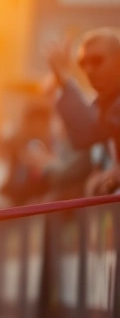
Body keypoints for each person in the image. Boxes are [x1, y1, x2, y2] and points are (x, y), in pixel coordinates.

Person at [47, 28, 120, 195]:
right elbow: (80, 140)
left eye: (96, 61)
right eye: (82, 64)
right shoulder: (103, 103)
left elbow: (87, 131)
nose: (88, 71)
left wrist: (65, 79)